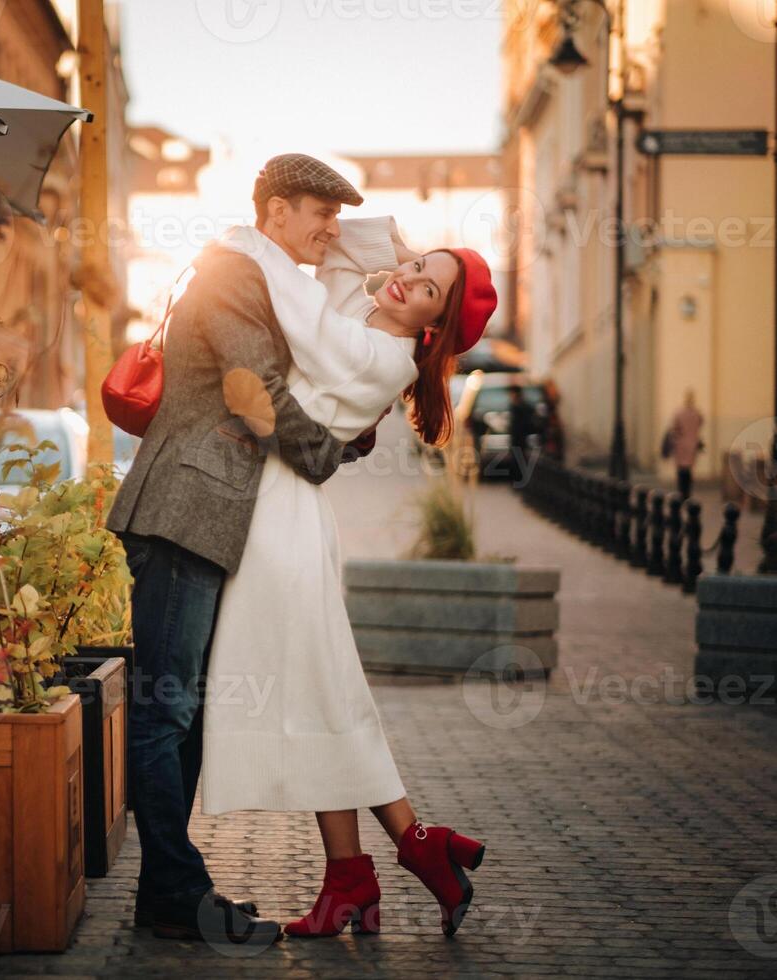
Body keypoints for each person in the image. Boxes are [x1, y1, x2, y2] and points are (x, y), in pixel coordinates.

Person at [195, 156, 496, 940]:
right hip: (280, 516)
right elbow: (339, 253)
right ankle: (374, 866)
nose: (404, 280)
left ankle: (389, 859)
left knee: (318, 695)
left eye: (425, 290)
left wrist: (243, 238)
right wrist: (407, 255)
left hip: (282, 526)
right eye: (414, 269)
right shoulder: (358, 315)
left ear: (431, 328)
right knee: (322, 694)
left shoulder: (377, 355)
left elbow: (296, 292)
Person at [105, 154, 364, 946]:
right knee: (165, 710)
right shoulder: (232, 274)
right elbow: (254, 391)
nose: (330, 228)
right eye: (320, 212)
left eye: (336, 215)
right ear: (276, 211)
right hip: (184, 506)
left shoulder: (266, 281)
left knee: (181, 714)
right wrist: (322, 452)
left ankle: (166, 895)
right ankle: (178, 893)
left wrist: (346, 428)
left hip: (206, 516)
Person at [668, 389, 704, 499]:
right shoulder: (697, 413)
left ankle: (681, 493)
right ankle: (688, 493)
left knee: (680, 470)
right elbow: (700, 424)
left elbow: (675, 428)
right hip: (692, 445)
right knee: (689, 470)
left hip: (680, 445)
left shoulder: (679, 413)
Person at [508, 385, 537, 486]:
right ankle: (517, 481)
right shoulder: (515, 406)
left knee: (520, 460)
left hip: (520, 438)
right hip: (517, 438)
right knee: (517, 460)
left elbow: (526, 423)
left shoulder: (521, 407)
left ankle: (520, 481)